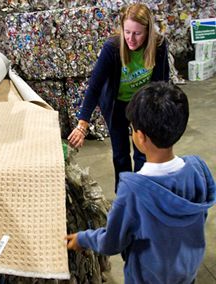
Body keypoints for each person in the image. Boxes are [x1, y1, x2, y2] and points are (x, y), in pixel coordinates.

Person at [65, 81, 216, 284]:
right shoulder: (197, 169)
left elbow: (113, 241)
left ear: (141, 137)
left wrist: (84, 239)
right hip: (186, 272)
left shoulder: (132, 191)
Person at [68, 3, 170, 190]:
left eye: (137, 33)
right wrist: (83, 123)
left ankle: (139, 191)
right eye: (127, 32)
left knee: (142, 151)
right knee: (121, 153)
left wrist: (162, 115)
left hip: (143, 105)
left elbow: (163, 84)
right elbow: (94, 87)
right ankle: (124, 194)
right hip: (117, 105)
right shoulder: (112, 48)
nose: (131, 38)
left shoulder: (159, 46)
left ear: (148, 32)